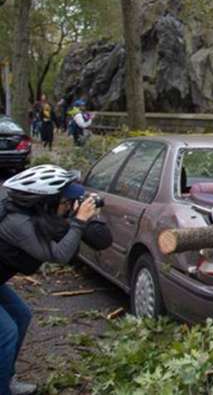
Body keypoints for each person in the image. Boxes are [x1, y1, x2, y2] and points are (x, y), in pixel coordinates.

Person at [0, 165, 112, 395]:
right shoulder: (17, 223)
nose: (68, 205)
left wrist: (88, 220)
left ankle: (6, 379)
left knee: (21, 315)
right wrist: (79, 222)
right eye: (64, 200)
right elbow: (59, 255)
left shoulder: (34, 216)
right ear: (45, 201)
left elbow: (100, 240)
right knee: (7, 331)